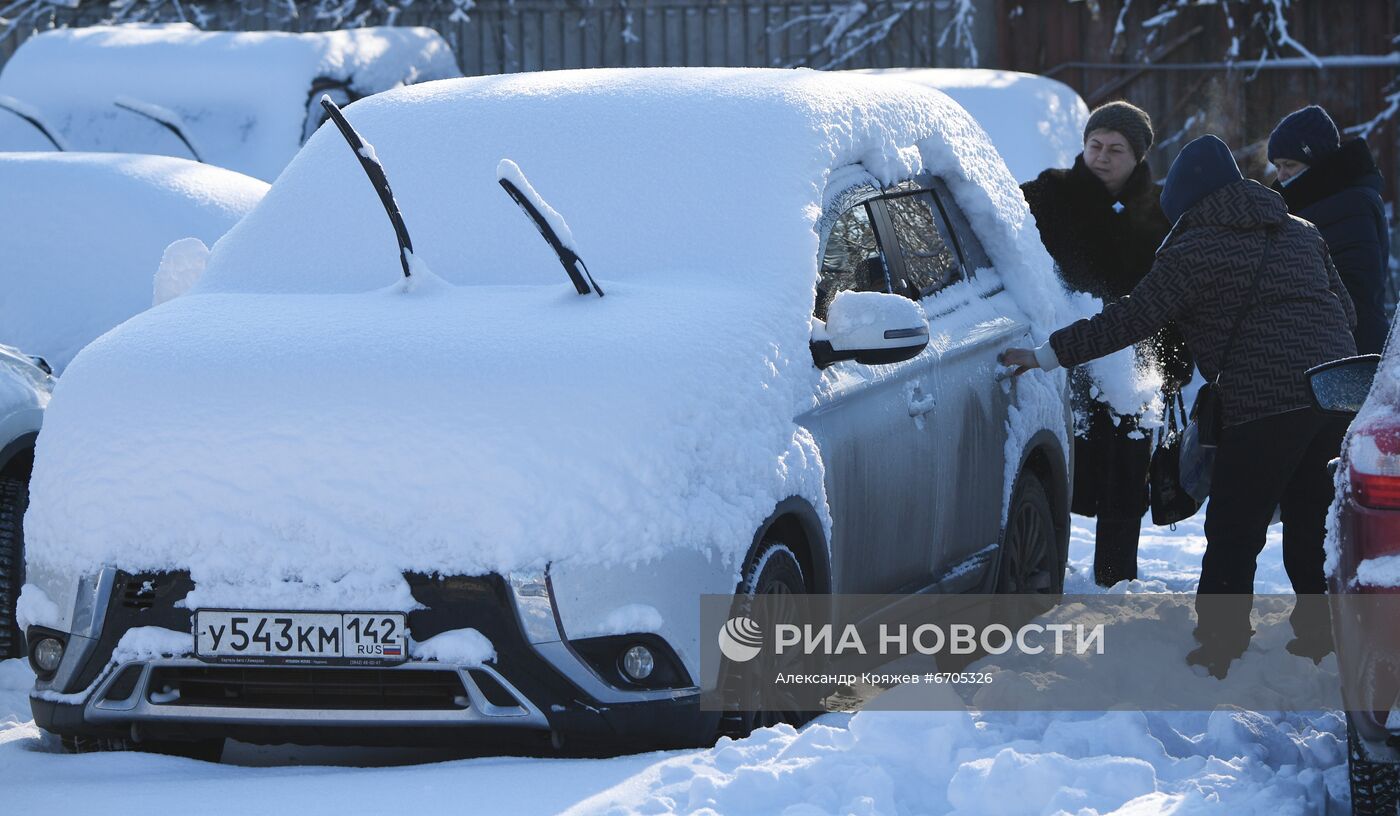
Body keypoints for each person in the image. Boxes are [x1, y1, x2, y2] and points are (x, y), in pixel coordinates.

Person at [1001, 135, 1357, 675]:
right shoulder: (1301, 232)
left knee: (1235, 528)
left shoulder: (1193, 252)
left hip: (1264, 401)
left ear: (1189, 201)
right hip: (1336, 393)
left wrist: (1048, 354)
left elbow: (1128, 321)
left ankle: (1219, 647)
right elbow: (1346, 310)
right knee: (1312, 522)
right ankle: (1320, 640)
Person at [1020, 100, 1193, 587]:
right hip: (1065, 352)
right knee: (1061, 470)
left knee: (1127, 473)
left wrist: (1174, 360)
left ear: (1137, 156)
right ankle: (1048, 573)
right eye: (1095, 144)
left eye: (1116, 148)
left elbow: (1180, 286)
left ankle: (1116, 581)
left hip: (1136, 363)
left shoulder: (1162, 209)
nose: (1102, 155)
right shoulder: (1048, 195)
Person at [1269, 105, 1391, 354]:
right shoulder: (1308, 203)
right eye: (1277, 166)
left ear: (1316, 160)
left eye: (1289, 165)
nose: (1281, 176)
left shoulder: (1351, 205)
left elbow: (1355, 294)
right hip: (1325, 349)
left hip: (1352, 353)